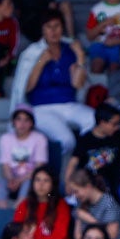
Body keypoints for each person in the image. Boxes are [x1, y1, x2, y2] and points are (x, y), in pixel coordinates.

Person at [22, 11, 96, 154]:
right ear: (42, 29)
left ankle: (83, 164)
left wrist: (80, 57)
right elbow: (27, 87)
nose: (53, 31)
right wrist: (41, 62)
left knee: (95, 120)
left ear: (63, 28)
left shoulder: (70, 50)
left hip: (69, 104)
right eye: (49, 27)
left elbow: (77, 85)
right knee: (66, 139)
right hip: (42, 107)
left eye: (57, 26)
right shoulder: (34, 52)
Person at [58, 170, 120, 239]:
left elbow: (111, 235)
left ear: (88, 187)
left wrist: (89, 219)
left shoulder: (109, 203)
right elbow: (77, 233)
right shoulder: (80, 202)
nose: (75, 195)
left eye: (77, 191)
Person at [66, 105, 120, 195]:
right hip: (88, 182)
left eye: (118, 124)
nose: (117, 127)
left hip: (112, 182)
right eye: (114, 124)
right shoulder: (86, 140)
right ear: (102, 123)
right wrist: (68, 183)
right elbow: (73, 162)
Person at [0, 105, 49, 208]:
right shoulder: (6, 138)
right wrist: (11, 179)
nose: (22, 124)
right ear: (14, 122)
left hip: (31, 177)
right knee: (0, 185)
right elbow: (5, 165)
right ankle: (2, 213)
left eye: (26, 120)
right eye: (19, 119)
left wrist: (20, 180)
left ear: (31, 123)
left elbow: (39, 167)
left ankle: (17, 212)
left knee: (28, 185)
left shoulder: (39, 138)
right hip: (13, 177)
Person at [14, 165, 72, 239]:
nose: (41, 184)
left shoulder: (61, 205)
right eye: (37, 180)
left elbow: (60, 235)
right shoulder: (23, 205)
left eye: (46, 181)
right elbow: (17, 227)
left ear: (52, 184)